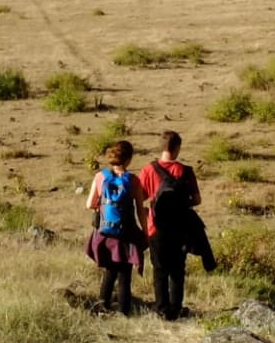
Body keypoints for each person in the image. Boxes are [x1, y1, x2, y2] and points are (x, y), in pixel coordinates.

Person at [138, 130, 210, 321]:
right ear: (177, 148)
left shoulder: (148, 170)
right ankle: (176, 309)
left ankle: (162, 309)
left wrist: (148, 209)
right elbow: (197, 199)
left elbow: (140, 197)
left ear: (161, 147)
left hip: (156, 227)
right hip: (181, 227)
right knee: (178, 270)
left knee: (159, 270)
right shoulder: (186, 171)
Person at [84, 139, 145, 315]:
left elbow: (89, 204)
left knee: (110, 272)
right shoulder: (133, 180)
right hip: (126, 234)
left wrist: (102, 208)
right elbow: (140, 210)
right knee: (125, 274)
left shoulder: (100, 177)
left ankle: (102, 307)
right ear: (129, 159)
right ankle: (125, 312)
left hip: (105, 233)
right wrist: (145, 232)